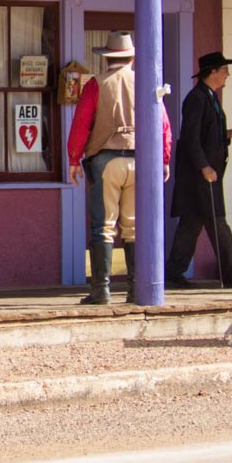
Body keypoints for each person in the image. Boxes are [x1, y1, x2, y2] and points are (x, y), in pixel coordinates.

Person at [67, 31, 172, 304]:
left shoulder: (96, 85)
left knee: (103, 225)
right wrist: (164, 158)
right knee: (133, 227)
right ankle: (136, 288)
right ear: (132, 56)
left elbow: (81, 124)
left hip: (106, 159)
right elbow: (163, 125)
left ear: (107, 57)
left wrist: (73, 159)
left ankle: (100, 289)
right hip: (141, 160)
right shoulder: (148, 83)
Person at [165, 51, 232, 290]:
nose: (228, 75)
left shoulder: (209, 97)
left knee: (190, 224)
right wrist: (204, 167)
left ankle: (173, 272)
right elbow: (191, 139)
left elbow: (206, 134)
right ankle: (231, 273)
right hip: (201, 176)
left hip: (206, 174)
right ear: (212, 72)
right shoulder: (196, 98)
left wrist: (228, 134)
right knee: (218, 223)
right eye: (224, 70)